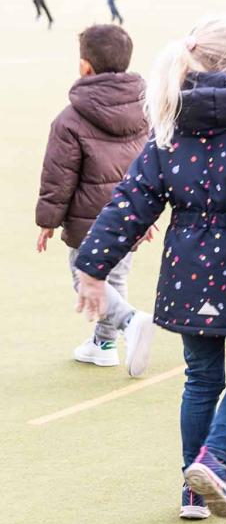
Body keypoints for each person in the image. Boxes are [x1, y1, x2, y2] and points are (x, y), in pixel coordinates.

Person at [73, 14, 226, 522]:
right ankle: (215, 461)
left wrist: (93, 267)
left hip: (188, 275)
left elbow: (131, 203)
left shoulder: (170, 133)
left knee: (201, 378)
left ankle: (193, 493)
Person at [35, 24, 154, 374]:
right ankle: (104, 344)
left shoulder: (69, 119)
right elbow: (151, 163)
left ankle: (130, 321)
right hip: (130, 215)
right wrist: (147, 211)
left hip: (88, 220)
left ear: (85, 67)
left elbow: (58, 176)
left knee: (83, 278)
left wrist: (47, 221)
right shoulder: (144, 109)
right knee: (115, 276)